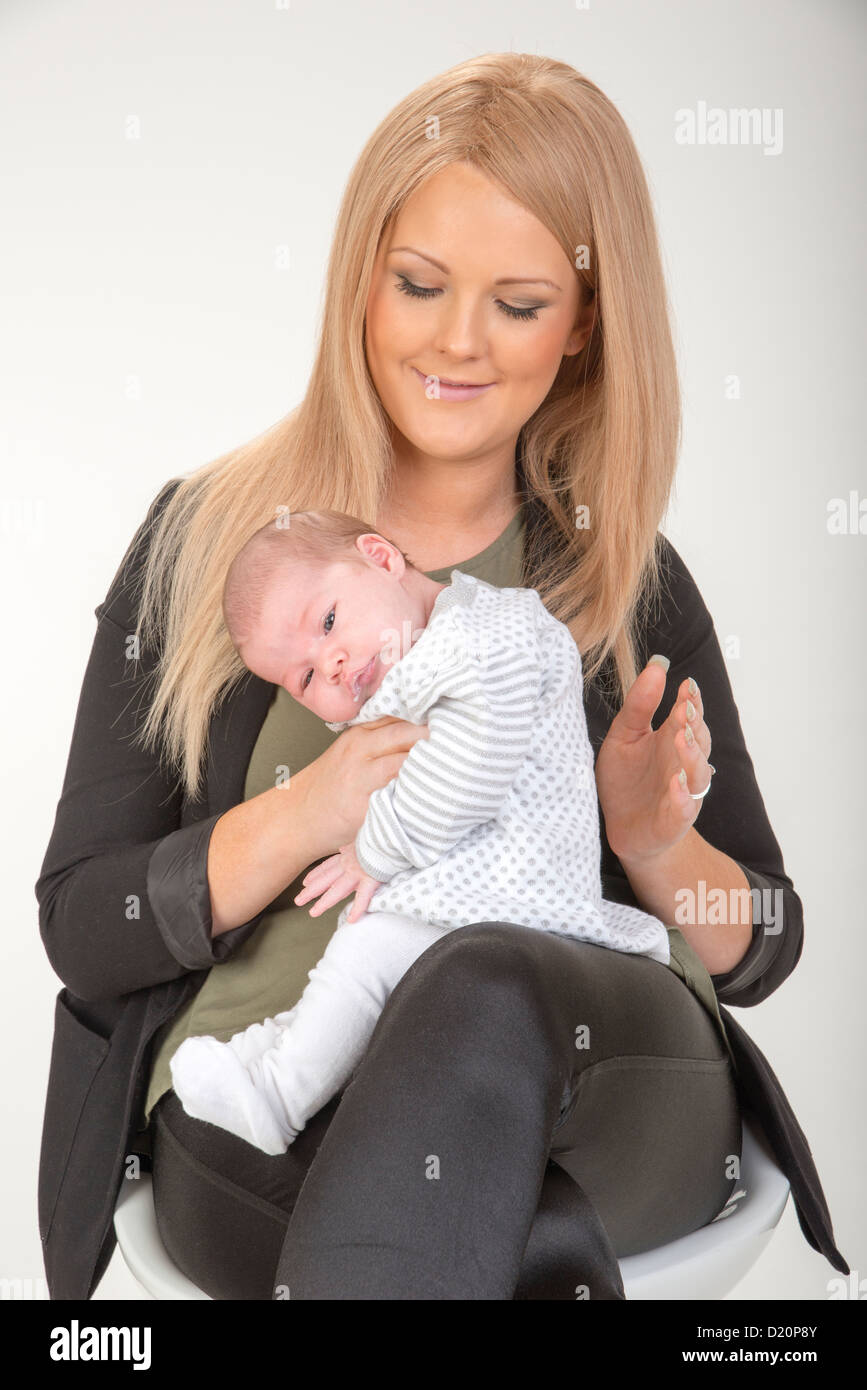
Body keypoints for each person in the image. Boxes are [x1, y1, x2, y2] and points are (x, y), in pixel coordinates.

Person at [36, 52, 848, 1301]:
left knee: (472, 976)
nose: (456, 341)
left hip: (600, 1076)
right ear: (362, 277)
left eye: (518, 304)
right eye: (419, 283)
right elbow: (86, 929)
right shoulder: (204, 543)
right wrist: (311, 812)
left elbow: (764, 941)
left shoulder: (629, 581)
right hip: (278, 1104)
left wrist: (652, 847)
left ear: (583, 327)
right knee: (510, 1250)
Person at [168, 509, 676, 1155]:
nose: (331, 663)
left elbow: (473, 765)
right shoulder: (432, 649)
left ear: (381, 557)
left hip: (518, 902)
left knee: (368, 952)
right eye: (302, 678)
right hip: (482, 895)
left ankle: (279, 1095)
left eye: (327, 623)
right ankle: (286, 1049)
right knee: (360, 956)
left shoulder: (487, 635)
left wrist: (372, 853)